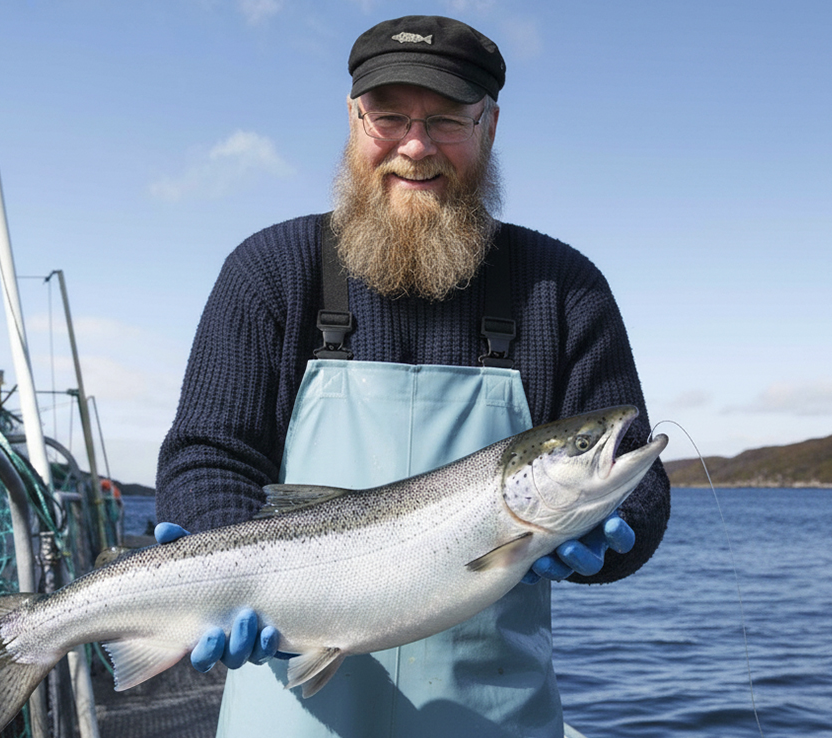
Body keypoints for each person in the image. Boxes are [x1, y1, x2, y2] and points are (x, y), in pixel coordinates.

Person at [155, 14, 670, 738]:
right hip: (293, 700)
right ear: (353, 119)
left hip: (493, 714)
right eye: (389, 117)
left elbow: (638, 476)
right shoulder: (270, 271)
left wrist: (612, 537)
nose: (416, 147)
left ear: (489, 126)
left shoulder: (563, 288)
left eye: (446, 120)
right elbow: (209, 453)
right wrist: (226, 565)